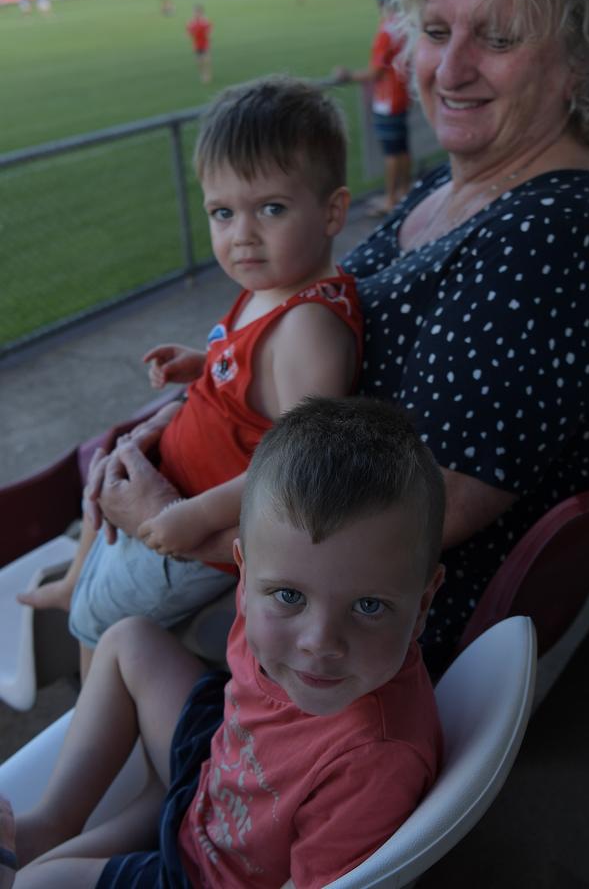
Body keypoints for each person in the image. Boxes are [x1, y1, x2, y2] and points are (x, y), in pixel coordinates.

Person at [69, 0, 589, 684]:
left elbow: (390, 529)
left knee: (105, 622)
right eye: (436, 32)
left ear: (581, 57)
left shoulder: (552, 241)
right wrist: (182, 420)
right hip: (283, 548)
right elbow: (298, 333)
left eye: (499, 37)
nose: (450, 68)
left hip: (353, 652)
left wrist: (171, 524)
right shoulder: (449, 192)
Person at [4, 396, 446, 889]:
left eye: (368, 606)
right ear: (244, 572)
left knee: (38, 882)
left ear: (424, 603)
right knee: (128, 640)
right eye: (289, 596)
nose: (319, 642)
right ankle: (56, 820)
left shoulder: (375, 761)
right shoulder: (260, 604)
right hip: (216, 769)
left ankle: (141, 815)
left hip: (211, 873)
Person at [19, 76, 362, 679]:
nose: (241, 235)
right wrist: (203, 362)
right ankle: (73, 583)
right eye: (222, 213)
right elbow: (257, 375)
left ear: (333, 210)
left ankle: (96, 726)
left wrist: (196, 517)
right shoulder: (271, 288)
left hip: (191, 531)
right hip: (173, 491)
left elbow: (294, 468)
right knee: (101, 487)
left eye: (271, 209)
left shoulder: (310, 328)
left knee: (98, 623)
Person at [334, 0, 412, 213]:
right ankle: (404, 191)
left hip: (388, 100)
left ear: (381, 4)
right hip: (403, 95)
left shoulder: (386, 32)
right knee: (402, 147)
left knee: (391, 151)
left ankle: (390, 199)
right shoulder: (405, 25)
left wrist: (348, 75)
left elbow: (375, 72)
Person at [186, 4, 213, 83]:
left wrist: (208, 35)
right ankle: (202, 74)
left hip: (205, 43)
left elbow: (209, 30)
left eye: (198, 12)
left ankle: (207, 75)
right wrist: (191, 33)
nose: (196, 13)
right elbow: (189, 33)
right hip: (197, 44)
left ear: (201, 12)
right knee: (199, 61)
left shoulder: (205, 21)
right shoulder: (191, 22)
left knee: (207, 60)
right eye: (195, 12)